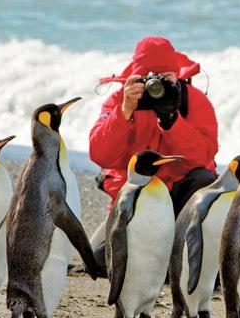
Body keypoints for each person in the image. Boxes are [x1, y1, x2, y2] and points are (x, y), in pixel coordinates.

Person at [89, 36, 218, 215]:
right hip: (135, 196)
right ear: (137, 78)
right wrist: (124, 112)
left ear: (177, 75)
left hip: (178, 192)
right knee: (106, 237)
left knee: (203, 178)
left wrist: (172, 121)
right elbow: (100, 155)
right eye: (149, 79)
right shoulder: (121, 99)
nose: (157, 86)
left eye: (166, 78)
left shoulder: (193, 99)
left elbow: (202, 158)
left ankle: (183, 228)